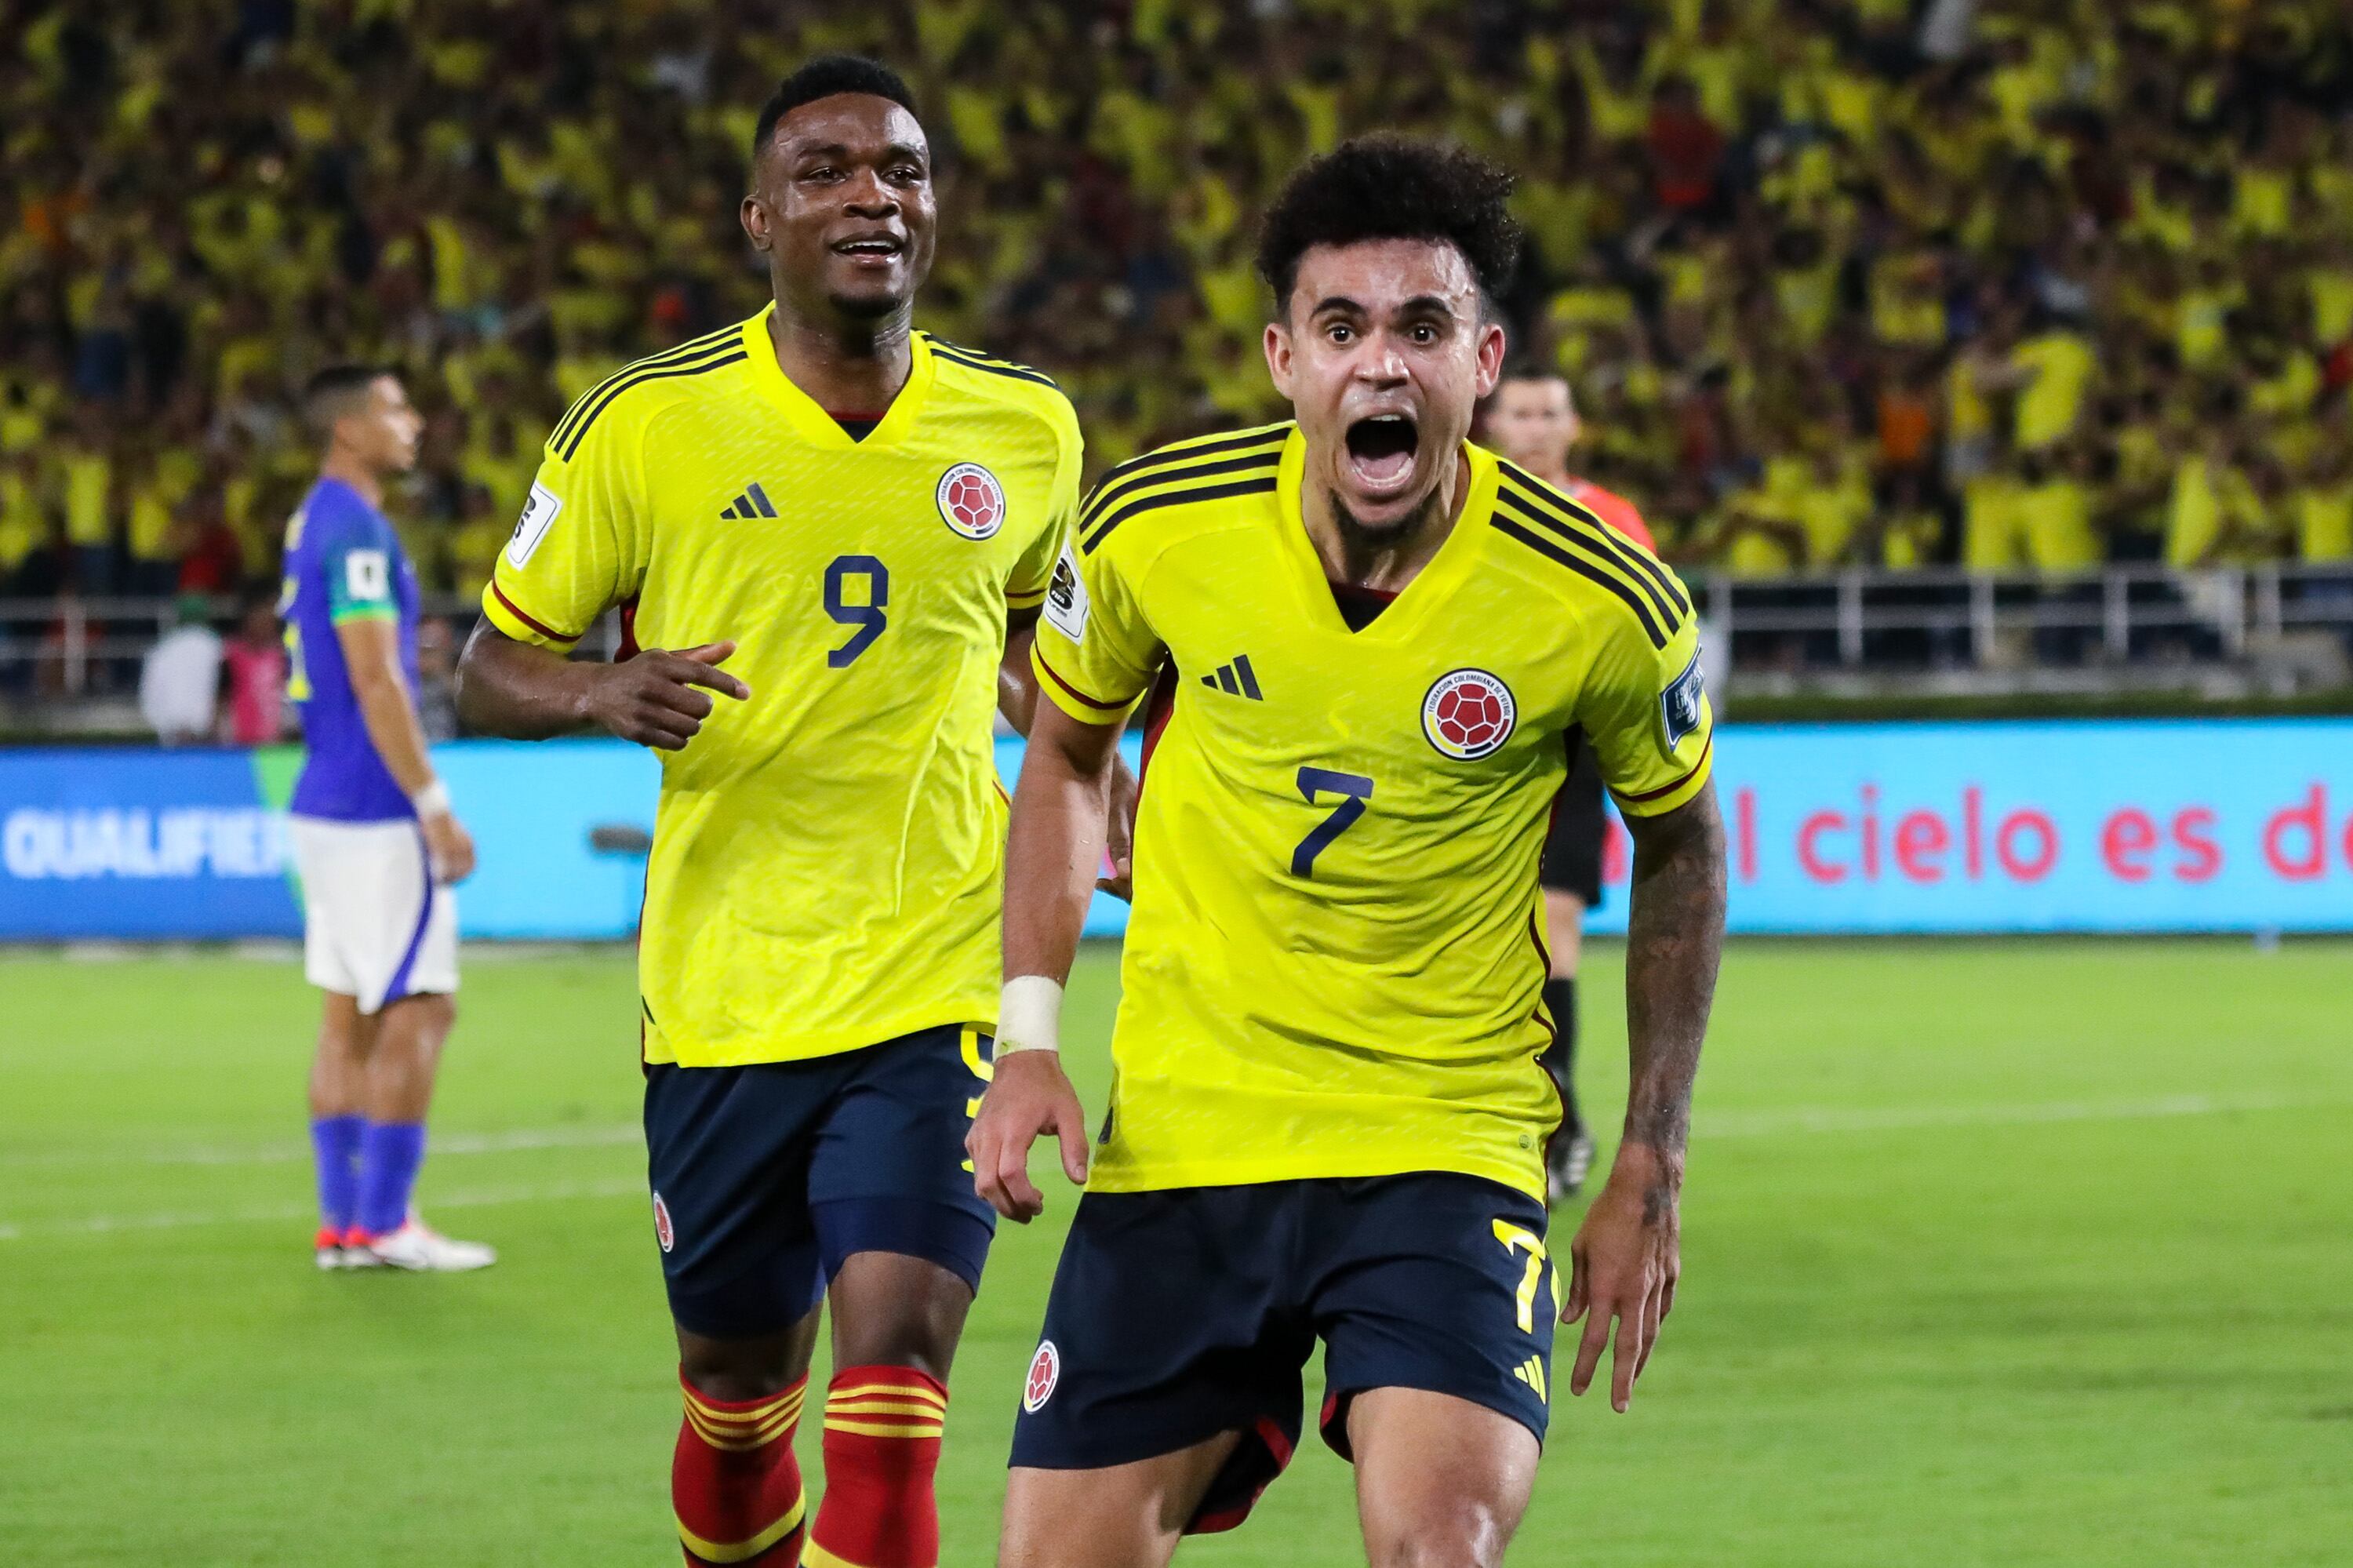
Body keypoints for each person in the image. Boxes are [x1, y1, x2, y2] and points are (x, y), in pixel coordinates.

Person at [971, 136, 1726, 1568]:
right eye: (1343, 329)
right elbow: (1065, 752)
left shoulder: (1600, 597)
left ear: (1484, 360)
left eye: (1423, 328)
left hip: (1441, 1144)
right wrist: (1026, 1037)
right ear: (1283, 358)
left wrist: (1652, 1155)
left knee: (1437, 1547)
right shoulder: (1155, 527)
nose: (1382, 366)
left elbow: (1683, 844)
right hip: (1189, 1137)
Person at [453, 56, 1113, 1568]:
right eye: (826, 172)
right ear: (762, 216)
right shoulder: (645, 426)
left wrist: (1081, 744)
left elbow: (1029, 633)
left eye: (902, 169)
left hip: (933, 971)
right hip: (725, 993)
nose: (872, 195)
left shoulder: (1027, 427)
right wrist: (594, 692)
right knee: (743, 1396)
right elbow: (490, 654)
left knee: (895, 1378)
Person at [279, 365, 490, 1272]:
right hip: (373, 806)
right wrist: (434, 806)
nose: (414, 423)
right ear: (349, 428)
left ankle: (344, 1223)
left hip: (322, 797)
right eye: (397, 408)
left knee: (348, 1013)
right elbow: (376, 678)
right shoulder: (357, 531)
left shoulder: (312, 519)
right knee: (423, 1004)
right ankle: (387, 1220)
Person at [1483, 363, 1660, 1202]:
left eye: (1551, 412)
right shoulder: (1456, 503)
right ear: (1492, 421)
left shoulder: (1613, 519)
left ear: (1574, 426)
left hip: (1573, 742)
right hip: (1470, 736)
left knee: (1553, 928)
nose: (1536, 426)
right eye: (1521, 412)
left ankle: (1555, 1114)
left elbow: (1650, 637)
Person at [137, 593, 222, 744]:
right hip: (208, 738)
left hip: (174, 737)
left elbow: (149, 699)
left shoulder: (161, 649)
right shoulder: (217, 647)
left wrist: (166, 727)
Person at [219, 589, 288, 745]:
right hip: (240, 736)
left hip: (275, 736)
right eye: (259, 621)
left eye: (268, 622)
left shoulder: (281, 654)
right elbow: (222, 694)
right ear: (247, 623)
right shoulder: (232, 653)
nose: (264, 627)